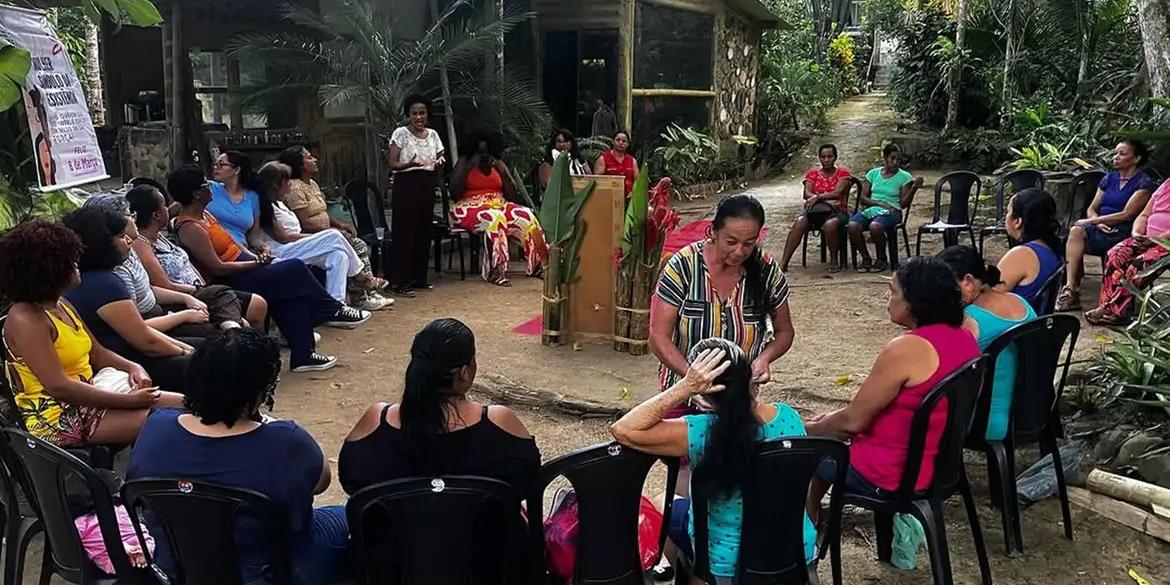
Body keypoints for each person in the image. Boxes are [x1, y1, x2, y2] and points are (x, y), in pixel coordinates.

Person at [127, 329, 349, 585]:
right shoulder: (287, 441)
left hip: (175, 570)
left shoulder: (155, 426)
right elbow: (321, 482)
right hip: (265, 574)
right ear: (261, 391)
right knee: (344, 516)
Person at [610, 339, 816, 584]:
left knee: (662, 503)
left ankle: (673, 571)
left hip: (726, 566)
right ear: (750, 379)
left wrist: (684, 387)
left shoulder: (701, 432)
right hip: (796, 553)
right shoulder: (789, 417)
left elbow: (623, 429)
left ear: (704, 396)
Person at [805, 257, 980, 516]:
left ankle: (807, 524)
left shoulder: (908, 348)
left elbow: (854, 421)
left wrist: (809, 428)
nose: (887, 298)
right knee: (831, 430)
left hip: (892, 475)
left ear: (913, 304)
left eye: (893, 291)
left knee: (813, 450)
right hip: (938, 466)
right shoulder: (966, 337)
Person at [168, 165, 370, 372]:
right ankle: (330, 308)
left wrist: (257, 256)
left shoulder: (206, 216)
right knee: (295, 269)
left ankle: (304, 355)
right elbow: (216, 268)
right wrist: (254, 263)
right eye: (205, 185)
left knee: (291, 291)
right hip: (232, 278)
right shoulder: (191, 227)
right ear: (195, 194)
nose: (211, 187)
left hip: (247, 267)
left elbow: (234, 244)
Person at [0, 220, 182, 446]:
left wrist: (133, 367)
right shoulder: (26, 319)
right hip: (58, 417)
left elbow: (97, 353)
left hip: (89, 396)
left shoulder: (61, 303)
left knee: (189, 404)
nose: (77, 265)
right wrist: (129, 401)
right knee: (176, 422)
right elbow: (59, 386)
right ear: (49, 269)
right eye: (70, 261)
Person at [338, 318, 539, 494]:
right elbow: (530, 479)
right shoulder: (499, 421)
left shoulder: (376, 420)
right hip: (484, 538)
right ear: (464, 373)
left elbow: (351, 480)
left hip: (397, 537)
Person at [651, 194, 795, 420]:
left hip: (739, 397)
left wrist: (764, 359)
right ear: (712, 232)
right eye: (731, 242)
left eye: (749, 243)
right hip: (682, 393)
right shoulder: (683, 266)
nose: (739, 252)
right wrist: (692, 380)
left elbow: (785, 332)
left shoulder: (766, 269)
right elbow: (658, 336)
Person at [60, 206, 198, 394]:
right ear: (101, 244)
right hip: (128, 369)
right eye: (120, 236)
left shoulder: (97, 278)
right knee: (207, 361)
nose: (127, 241)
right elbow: (147, 343)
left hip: (129, 358)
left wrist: (185, 348)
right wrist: (186, 352)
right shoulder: (103, 284)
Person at [126, 184, 269, 329]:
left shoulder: (160, 236)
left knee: (257, 305)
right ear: (156, 215)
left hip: (203, 290)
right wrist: (196, 290)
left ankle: (247, 339)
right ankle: (235, 335)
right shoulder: (142, 244)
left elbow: (179, 207)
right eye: (164, 206)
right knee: (236, 310)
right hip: (187, 296)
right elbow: (163, 285)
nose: (168, 209)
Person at [256, 161, 391, 310]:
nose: (290, 185)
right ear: (276, 184)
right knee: (333, 236)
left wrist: (321, 237)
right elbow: (284, 237)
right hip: (280, 251)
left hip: (295, 246)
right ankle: (362, 277)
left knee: (338, 255)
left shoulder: (280, 204)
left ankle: (336, 307)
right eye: (287, 181)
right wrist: (320, 237)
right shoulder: (264, 206)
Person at [84, 195, 222, 341]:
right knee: (216, 336)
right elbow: (141, 330)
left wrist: (188, 297)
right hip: (155, 323)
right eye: (130, 215)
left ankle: (232, 326)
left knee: (220, 295)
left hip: (163, 309)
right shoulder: (115, 273)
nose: (134, 218)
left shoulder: (129, 250)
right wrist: (184, 318)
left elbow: (150, 288)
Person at [937, 245, 1036, 441]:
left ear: (968, 282)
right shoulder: (1020, 301)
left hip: (986, 422)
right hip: (1031, 413)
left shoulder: (968, 321)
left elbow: (945, 378)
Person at [1056, 140, 1156, 311]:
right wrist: (1097, 221)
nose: (1116, 157)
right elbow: (1092, 208)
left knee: (1081, 228)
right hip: (1101, 228)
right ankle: (1071, 289)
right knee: (1075, 232)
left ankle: (1113, 298)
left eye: (1122, 154)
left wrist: (1095, 221)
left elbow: (1127, 214)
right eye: (1115, 153)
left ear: (1136, 158)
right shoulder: (1108, 179)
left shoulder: (1144, 183)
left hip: (1124, 231)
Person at [449, 131, 548, 287]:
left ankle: (539, 265)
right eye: (480, 153)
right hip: (469, 206)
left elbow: (513, 196)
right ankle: (495, 270)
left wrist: (502, 172)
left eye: (486, 153)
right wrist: (469, 166)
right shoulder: (465, 162)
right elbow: (455, 192)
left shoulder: (498, 163)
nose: (483, 156)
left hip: (498, 203)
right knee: (494, 218)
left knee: (526, 216)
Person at [1085, 178, 1170, 326]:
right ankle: (1115, 310)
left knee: (1137, 266)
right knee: (1115, 254)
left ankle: (1109, 309)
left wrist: (1156, 239)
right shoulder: (1166, 185)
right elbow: (1144, 215)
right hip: (1145, 238)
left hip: (1165, 243)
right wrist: (1136, 232)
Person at [386, 95, 445, 296]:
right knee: (405, 233)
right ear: (408, 115)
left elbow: (439, 156)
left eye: (422, 113)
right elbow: (392, 163)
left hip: (427, 183)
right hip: (406, 183)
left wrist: (440, 162)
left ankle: (419, 279)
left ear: (427, 114)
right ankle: (400, 282)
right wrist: (408, 164)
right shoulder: (401, 134)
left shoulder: (434, 135)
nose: (418, 117)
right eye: (414, 113)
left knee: (423, 231)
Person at [848, 143, 923, 272]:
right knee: (852, 226)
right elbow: (863, 197)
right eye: (892, 158)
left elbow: (904, 204)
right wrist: (878, 203)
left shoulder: (904, 177)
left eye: (898, 159)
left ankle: (881, 258)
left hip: (892, 210)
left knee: (875, 226)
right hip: (873, 208)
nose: (896, 162)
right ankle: (866, 258)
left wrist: (913, 189)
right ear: (885, 158)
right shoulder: (873, 174)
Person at [779, 144, 853, 272]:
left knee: (830, 225)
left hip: (837, 211)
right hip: (815, 210)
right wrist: (826, 200)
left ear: (835, 158)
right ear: (819, 158)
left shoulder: (843, 174)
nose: (826, 160)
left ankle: (834, 260)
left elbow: (838, 193)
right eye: (823, 157)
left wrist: (817, 197)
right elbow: (806, 193)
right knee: (799, 222)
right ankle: (784, 262)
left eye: (829, 156)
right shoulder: (812, 174)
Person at [995, 188, 1065, 305]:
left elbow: (988, 298)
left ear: (1018, 221)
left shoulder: (1022, 255)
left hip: (1017, 321)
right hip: (1037, 320)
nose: (1005, 217)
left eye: (1008, 212)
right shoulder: (1052, 249)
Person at [206, 151, 267, 249]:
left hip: (242, 250)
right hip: (215, 247)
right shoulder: (209, 188)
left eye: (221, 164)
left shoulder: (252, 197)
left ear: (237, 170)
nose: (215, 167)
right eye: (215, 164)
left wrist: (264, 248)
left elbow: (254, 237)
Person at [593, 130, 639, 198]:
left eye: (624, 141)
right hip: (608, 198)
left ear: (628, 144)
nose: (621, 143)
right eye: (618, 140)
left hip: (629, 200)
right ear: (613, 141)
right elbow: (597, 181)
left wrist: (634, 192)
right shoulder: (603, 159)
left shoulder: (632, 161)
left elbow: (637, 180)